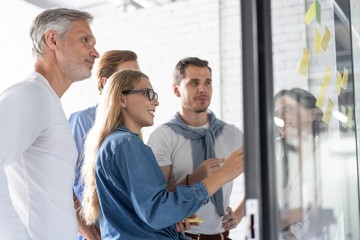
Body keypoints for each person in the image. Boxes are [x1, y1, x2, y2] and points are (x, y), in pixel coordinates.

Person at [80, 69, 244, 239]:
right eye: (148, 94)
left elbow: (143, 212)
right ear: (122, 99)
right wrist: (222, 175)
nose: (156, 102)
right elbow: (157, 212)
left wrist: (171, 223)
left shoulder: (115, 143)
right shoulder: (126, 144)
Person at [0, 8, 99, 240]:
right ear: (53, 40)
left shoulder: (47, 99)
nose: (95, 52)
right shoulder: (30, 93)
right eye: (85, 40)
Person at [147, 57, 245, 239]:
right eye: (194, 83)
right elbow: (156, 200)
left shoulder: (232, 134)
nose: (203, 89)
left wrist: (240, 213)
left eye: (207, 82)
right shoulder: (163, 136)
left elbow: (263, 179)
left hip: (222, 236)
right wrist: (194, 178)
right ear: (176, 90)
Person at [68, 50, 139, 240]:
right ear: (105, 83)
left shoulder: (133, 124)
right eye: (127, 77)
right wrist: (91, 235)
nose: (137, 83)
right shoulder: (82, 121)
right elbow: (64, 183)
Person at [274, 88, 330, 239]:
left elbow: (317, 226)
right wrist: (288, 218)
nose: (281, 118)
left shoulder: (327, 159)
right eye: (277, 114)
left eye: (287, 109)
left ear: (312, 114)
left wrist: (282, 221)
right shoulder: (279, 159)